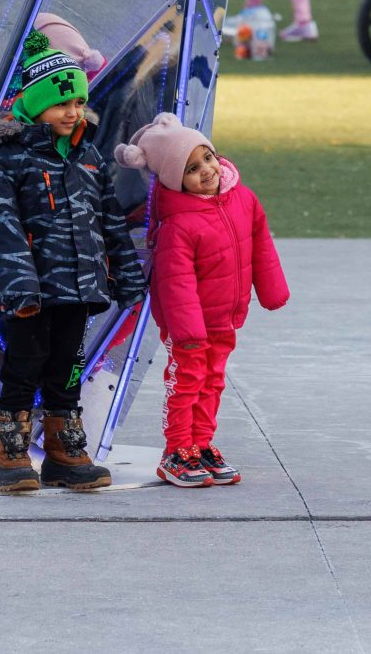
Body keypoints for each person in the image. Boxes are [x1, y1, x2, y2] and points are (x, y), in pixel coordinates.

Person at [0, 33, 148, 493]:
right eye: (60, 103)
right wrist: (19, 286)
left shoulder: (88, 156)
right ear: (35, 104)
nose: (72, 112)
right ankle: (10, 453)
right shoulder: (9, 158)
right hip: (30, 293)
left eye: (78, 102)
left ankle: (63, 453)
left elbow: (110, 220)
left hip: (80, 288)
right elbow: (2, 226)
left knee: (69, 368)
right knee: (23, 366)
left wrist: (127, 276)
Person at [117, 111, 291, 489]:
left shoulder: (242, 199)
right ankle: (177, 451)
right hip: (190, 328)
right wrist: (188, 331)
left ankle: (201, 443)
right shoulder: (178, 224)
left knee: (213, 382)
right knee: (187, 383)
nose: (207, 170)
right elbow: (175, 283)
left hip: (226, 318)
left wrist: (272, 290)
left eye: (208, 158)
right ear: (175, 179)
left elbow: (260, 243)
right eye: (192, 169)